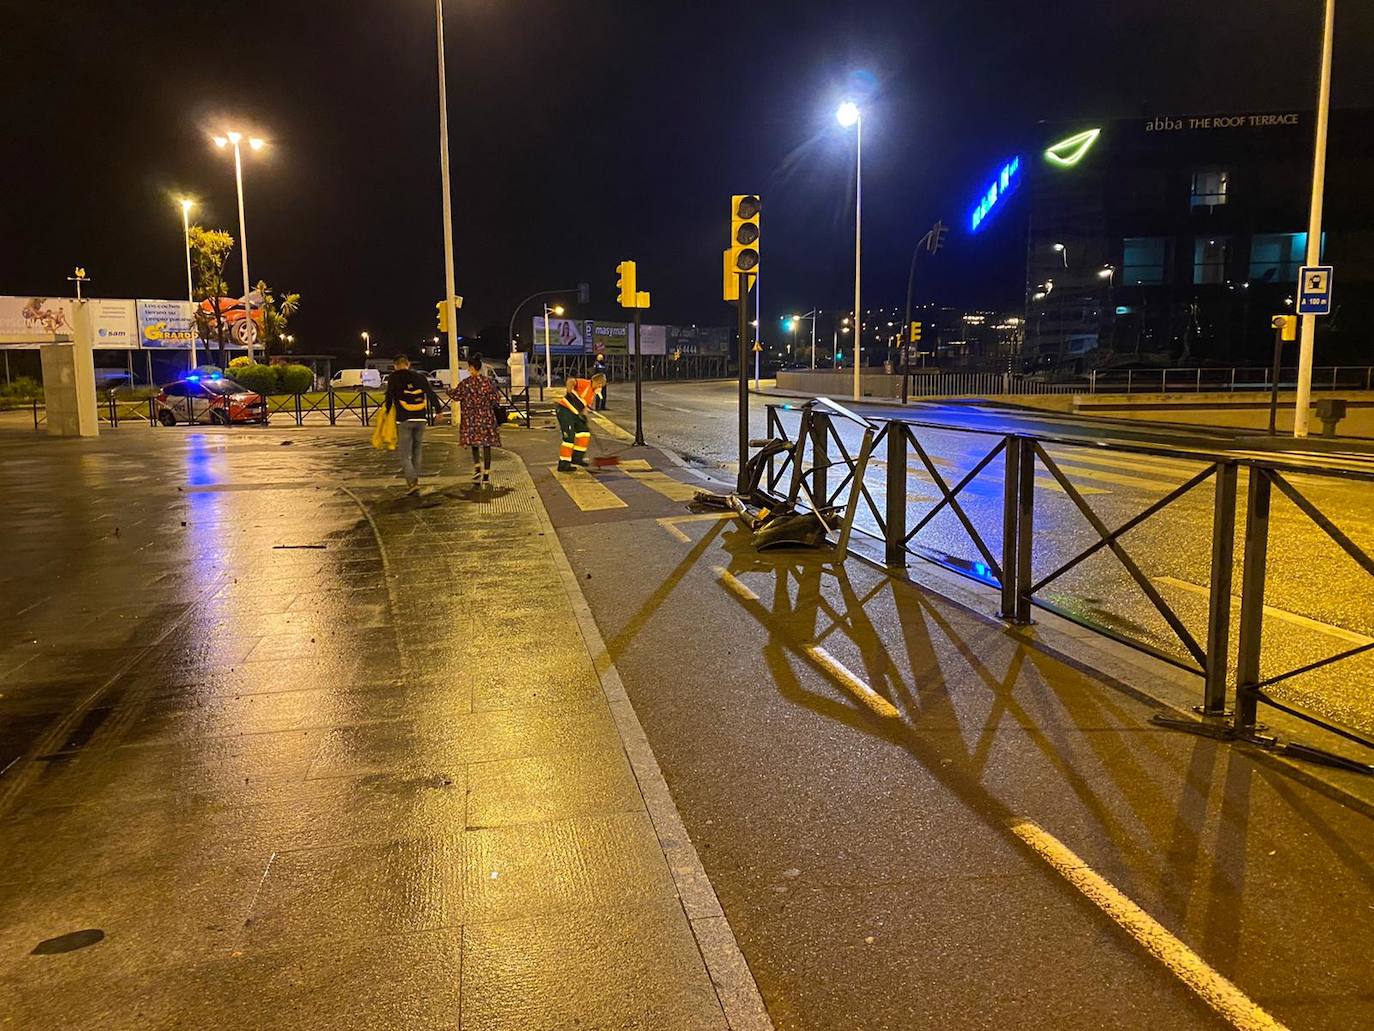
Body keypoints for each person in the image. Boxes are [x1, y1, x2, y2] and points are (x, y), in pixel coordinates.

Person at [383, 354, 442, 494]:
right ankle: (415, 480)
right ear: (408, 363)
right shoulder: (420, 377)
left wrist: (386, 412)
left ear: (395, 365)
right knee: (417, 450)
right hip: (421, 419)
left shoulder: (394, 378)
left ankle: (412, 481)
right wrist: (438, 410)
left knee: (404, 454)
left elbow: (389, 396)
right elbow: (431, 394)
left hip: (404, 419)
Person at [451, 352, 502, 484]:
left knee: (474, 443)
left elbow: (456, 395)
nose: (469, 370)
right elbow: (496, 398)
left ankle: (477, 467)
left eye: (469, 368)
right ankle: (486, 472)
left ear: (473, 368)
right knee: (486, 444)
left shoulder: (466, 383)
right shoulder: (488, 382)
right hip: (486, 417)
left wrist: (449, 391)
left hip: (471, 418)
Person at [555, 372, 605, 472]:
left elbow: (584, 407)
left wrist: (584, 416)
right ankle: (563, 464)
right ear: (596, 382)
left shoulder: (592, 393)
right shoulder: (585, 383)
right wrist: (570, 391)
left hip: (575, 414)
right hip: (565, 411)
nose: (600, 388)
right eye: (600, 385)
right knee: (569, 438)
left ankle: (577, 458)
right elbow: (570, 381)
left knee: (584, 433)